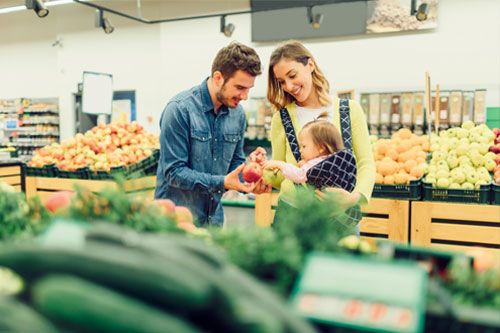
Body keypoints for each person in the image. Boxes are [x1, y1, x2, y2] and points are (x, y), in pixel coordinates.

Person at [252, 40, 375, 228]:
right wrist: (262, 170)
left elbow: (365, 163)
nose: (289, 86)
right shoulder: (281, 118)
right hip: (292, 216)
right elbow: (280, 175)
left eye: (293, 75)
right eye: (282, 82)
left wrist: (354, 198)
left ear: (310, 65)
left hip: (341, 216)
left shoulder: (349, 110)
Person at [155, 42, 268, 226]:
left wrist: (249, 171)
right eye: (240, 88)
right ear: (218, 78)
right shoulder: (179, 110)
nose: (245, 96)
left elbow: (235, 163)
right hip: (175, 222)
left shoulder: (237, 114)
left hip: (213, 221)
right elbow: (174, 172)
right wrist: (223, 182)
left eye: (249, 89)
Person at [264, 116, 357, 206]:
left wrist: (280, 165)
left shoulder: (316, 166)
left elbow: (299, 175)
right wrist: (306, 164)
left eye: (304, 146)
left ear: (321, 148)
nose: (300, 150)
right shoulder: (334, 159)